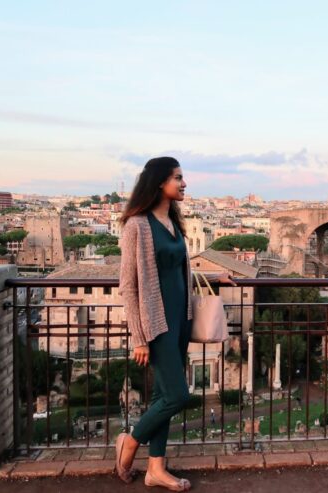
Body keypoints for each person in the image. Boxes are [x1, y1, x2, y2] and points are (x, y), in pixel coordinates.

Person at [115, 157, 236, 490]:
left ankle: (156, 469)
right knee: (179, 396)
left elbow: (178, 271)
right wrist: (139, 337)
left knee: (162, 396)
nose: (184, 184)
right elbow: (128, 285)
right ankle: (130, 442)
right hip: (157, 325)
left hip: (181, 320)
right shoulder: (136, 225)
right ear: (159, 182)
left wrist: (215, 276)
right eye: (178, 178)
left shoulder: (173, 221)